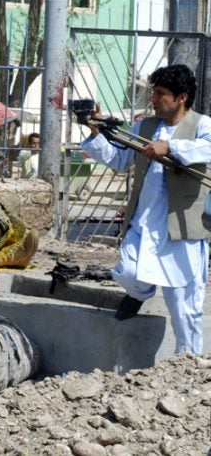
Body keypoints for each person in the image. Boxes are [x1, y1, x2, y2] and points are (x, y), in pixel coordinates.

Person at [80, 64, 211, 355]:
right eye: (153, 93)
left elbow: (207, 148)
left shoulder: (203, 125)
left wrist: (173, 148)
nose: (153, 99)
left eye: (161, 94)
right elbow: (119, 160)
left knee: (184, 303)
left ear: (181, 97)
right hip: (144, 222)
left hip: (181, 227)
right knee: (127, 271)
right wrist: (96, 133)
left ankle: (187, 363)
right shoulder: (144, 127)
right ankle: (140, 293)